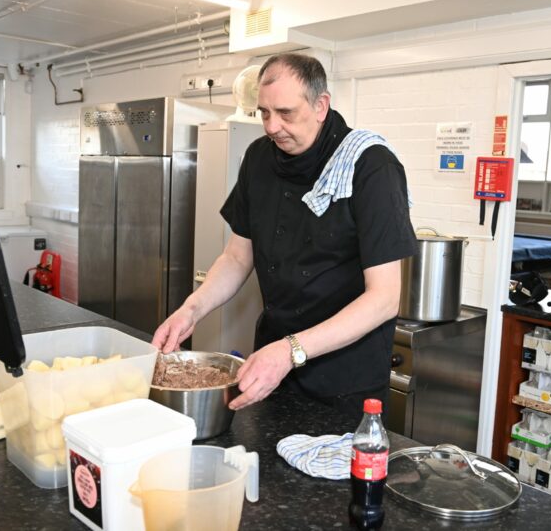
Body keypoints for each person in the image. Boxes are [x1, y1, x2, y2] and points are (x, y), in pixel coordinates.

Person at [153, 53, 417, 422]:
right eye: (264, 112)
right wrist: (190, 310)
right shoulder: (259, 157)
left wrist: (291, 350)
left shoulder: (371, 167)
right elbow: (237, 257)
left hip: (343, 381)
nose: (272, 126)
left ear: (321, 105)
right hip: (271, 366)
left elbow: (385, 299)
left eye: (286, 113)